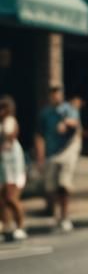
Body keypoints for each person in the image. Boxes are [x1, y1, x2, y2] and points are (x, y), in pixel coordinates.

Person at [34, 83, 81, 233]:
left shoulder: (68, 109)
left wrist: (65, 122)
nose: (56, 96)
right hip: (51, 153)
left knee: (64, 185)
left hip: (66, 151)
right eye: (53, 93)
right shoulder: (45, 113)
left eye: (58, 93)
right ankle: (55, 216)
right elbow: (39, 136)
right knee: (51, 188)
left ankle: (65, 217)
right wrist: (40, 158)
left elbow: (75, 123)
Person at [0, 95, 28, 241]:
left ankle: (21, 225)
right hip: (3, 165)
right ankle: (6, 226)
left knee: (11, 197)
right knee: (2, 199)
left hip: (13, 164)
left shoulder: (10, 121)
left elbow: (10, 135)